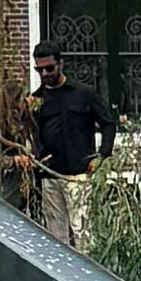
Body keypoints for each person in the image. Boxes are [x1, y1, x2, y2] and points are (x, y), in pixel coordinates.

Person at [23, 40, 110, 254]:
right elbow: (30, 135)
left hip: (78, 175)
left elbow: (108, 124)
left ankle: (88, 275)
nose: (44, 74)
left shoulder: (83, 94)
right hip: (49, 176)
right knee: (55, 238)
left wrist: (102, 156)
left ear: (60, 64)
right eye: (39, 70)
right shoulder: (36, 100)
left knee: (84, 236)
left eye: (49, 68)